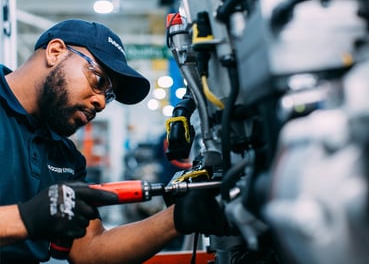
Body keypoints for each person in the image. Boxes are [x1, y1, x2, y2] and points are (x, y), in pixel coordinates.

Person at [0, 19, 230, 264]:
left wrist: (179, 217)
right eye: (99, 81)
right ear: (55, 51)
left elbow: (90, 250)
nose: (100, 103)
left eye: (108, 96)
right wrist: (26, 218)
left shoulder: (65, 155)